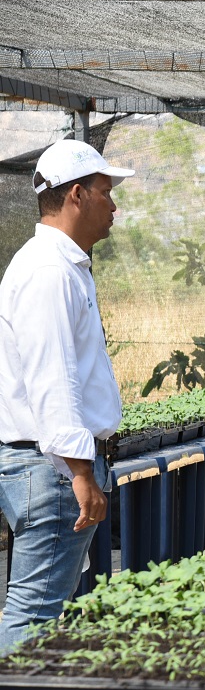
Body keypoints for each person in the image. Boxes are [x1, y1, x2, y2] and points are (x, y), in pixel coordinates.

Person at [0, 139, 134, 651]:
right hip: (52, 468)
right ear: (77, 194)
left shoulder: (57, 264)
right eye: (106, 191)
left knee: (42, 608)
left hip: (49, 465)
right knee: (34, 611)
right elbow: (52, 380)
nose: (114, 205)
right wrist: (81, 471)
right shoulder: (50, 271)